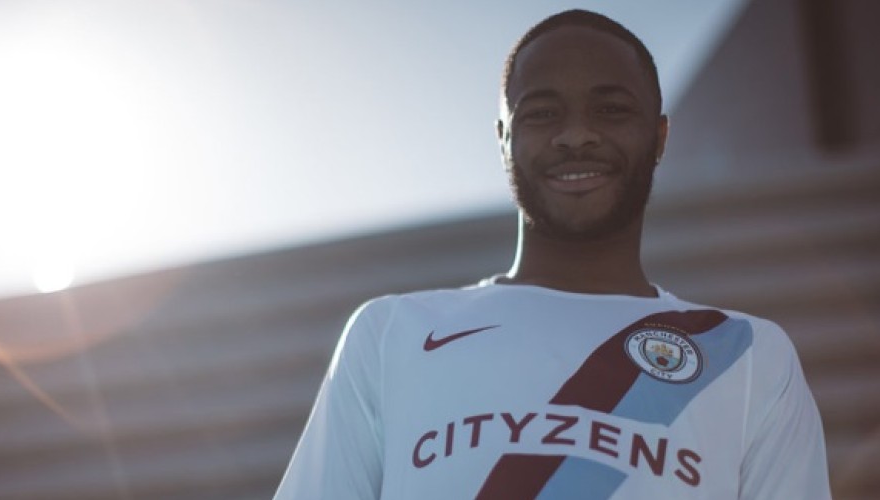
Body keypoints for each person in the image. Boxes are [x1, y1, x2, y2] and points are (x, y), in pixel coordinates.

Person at [274, 9, 831, 500]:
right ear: (502, 137)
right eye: (542, 113)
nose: (576, 135)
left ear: (660, 138)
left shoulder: (747, 354)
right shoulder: (391, 333)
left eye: (611, 110)